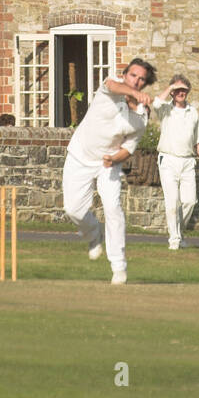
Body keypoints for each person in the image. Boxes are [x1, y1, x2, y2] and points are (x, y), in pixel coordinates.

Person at [62, 58, 156, 285]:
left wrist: (113, 158)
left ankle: (118, 266)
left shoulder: (141, 117)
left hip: (108, 165)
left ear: (145, 84)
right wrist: (131, 92)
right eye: (133, 75)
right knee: (73, 209)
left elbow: (128, 149)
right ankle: (93, 234)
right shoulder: (111, 85)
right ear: (125, 74)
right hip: (80, 155)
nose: (136, 81)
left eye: (141, 79)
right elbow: (115, 87)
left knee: (113, 208)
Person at [152, 75, 199, 250]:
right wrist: (171, 87)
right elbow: (155, 104)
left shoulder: (193, 112)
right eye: (178, 90)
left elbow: (198, 139)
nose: (181, 93)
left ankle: (178, 233)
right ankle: (174, 240)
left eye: (184, 90)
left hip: (188, 161)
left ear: (188, 92)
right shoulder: (166, 109)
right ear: (173, 92)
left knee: (190, 201)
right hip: (168, 159)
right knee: (172, 201)